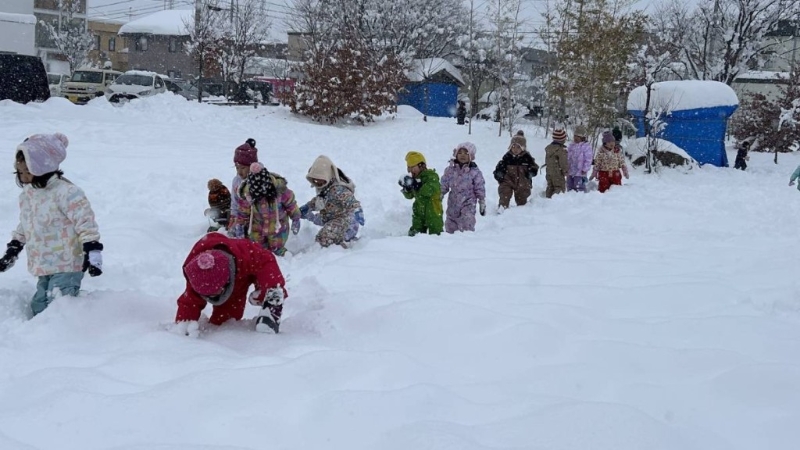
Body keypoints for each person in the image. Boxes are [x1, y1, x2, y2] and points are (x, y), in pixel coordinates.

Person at [0, 133, 103, 316]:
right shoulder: (28, 195)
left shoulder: (66, 192)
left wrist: (93, 251)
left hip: (67, 263)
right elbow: (25, 223)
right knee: (39, 306)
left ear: (43, 167)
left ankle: (82, 325)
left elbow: (85, 222)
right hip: (44, 264)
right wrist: (13, 249)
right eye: (20, 172)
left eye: (28, 171)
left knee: (59, 308)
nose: (23, 177)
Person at [175, 233, 287, 333]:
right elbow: (189, 303)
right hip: (228, 282)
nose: (211, 297)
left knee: (270, 284)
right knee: (224, 323)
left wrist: (268, 290)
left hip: (246, 270)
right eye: (207, 295)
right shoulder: (197, 276)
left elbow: (266, 261)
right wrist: (184, 325)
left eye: (215, 293)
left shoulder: (246, 253)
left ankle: (271, 306)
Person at [299, 155, 364, 247]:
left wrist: (358, 212)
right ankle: (334, 240)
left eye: (320, 181)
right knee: (321, 225)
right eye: (315, 181)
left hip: (347, 222)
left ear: (326, 176)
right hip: (332, 216)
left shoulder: (338, 189)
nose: (317, 183)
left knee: (324, 238)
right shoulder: (325, 186)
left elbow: (352, 202)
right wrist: (308, 207)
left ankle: (343, 243)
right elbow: (320, 200)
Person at [239, 162, 301, 256]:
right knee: (257, 249)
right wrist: (240, 224)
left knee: (277, 246)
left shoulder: (279, 191)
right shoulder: (248, 194)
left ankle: (280, 251)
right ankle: (260, 250)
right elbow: (243, 210)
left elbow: (291, 204)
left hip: (278, 226)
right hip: (257, 226)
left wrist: (296, 218)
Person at [440, 142, 486, 233]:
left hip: (468, 201)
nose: (462, 155)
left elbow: (479, 186)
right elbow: (445, 182)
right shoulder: (451, 170)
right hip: (453, 201)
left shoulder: (474, 172)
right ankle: (450, 238)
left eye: (466, 153)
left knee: (467, 219)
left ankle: (467, 237)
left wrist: (481, 200)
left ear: (471, 156)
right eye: (460, 153)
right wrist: (440, 193)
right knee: (451, 222)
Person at [399, 151, 443, 236]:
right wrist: (407, 189)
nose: (410, 170)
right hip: (419, 211)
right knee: (415, 233)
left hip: (433, 211)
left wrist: (417, 185)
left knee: (436, 234)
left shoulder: (431, 176)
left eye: (413, 167)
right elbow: (410, 196)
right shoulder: (414, 179)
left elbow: (430, 190)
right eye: (408, 168)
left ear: (421, 165)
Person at [493, 130, 538, 211]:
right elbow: (500, 167)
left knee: (522, 196)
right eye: (513, 147)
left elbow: (534, 167)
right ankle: (502, 207)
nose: (515, 149)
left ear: (523, 148)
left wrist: (531, 172)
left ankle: (521, 210)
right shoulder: (507, 157)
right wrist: (499, 174)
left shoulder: (527, 158)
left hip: (522, 181)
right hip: (508, 180)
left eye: (518, 147)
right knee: (505, 192)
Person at [228, 138, 258, 238]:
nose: (239, 171)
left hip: (257, 217)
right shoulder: (236, 181)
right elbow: (234, 201)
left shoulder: (258, 181)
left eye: (243, 168)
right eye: (237, 168)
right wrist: (233, 216)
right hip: (241, 216)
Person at [567, 125, 593, 192]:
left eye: (578, 136)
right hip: (571, 170)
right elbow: (568, 156)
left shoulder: (586, 146)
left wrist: (585, 168)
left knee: (579, 186)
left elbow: (588, 159)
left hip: (580, 172)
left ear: (582, 138)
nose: (575, 138)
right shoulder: (571, 145)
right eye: (575, 136)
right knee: (569, 185)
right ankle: (569, 195)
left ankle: (580, 195)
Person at [544, 128, 569, 198]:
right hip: (558, 172)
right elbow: (563, 162)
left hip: (549, 171)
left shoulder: (549, 149)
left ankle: (547, 199)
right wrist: (565, 171)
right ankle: (556, 201)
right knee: (559, 187)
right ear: (562, 140)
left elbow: (547, 160)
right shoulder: (561, 150)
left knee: (550, 186)